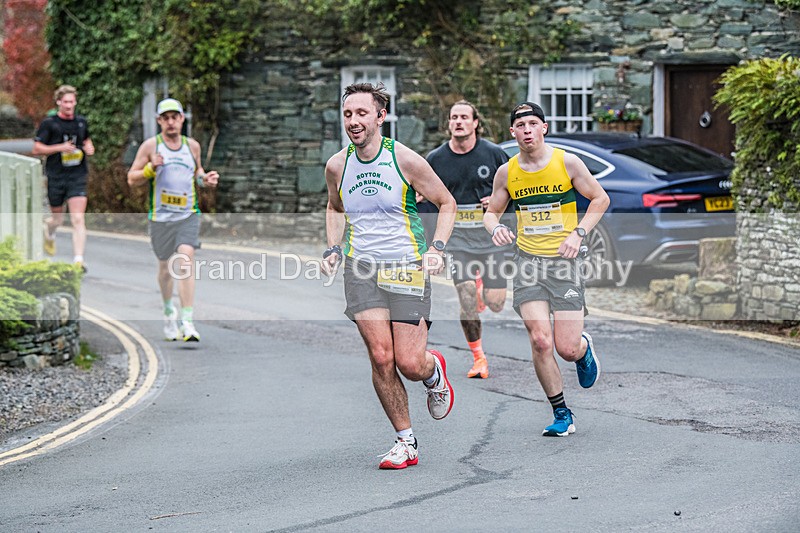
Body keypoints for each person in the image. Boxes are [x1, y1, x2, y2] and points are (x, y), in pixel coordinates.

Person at [322, 82, 457, 470]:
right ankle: (405, 441)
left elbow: (446, 202)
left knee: (409, 363)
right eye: (348, 114)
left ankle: (433, 373)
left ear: (381, 117)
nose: (353, 121)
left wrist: (438, 249)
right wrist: (334, 248)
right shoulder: (337, 165)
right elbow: (334, 208)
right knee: (382, 357)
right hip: (361, 268)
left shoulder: (405, 159)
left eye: (362, 113)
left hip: (407, 267)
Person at [483, 102, 610, 437]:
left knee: (564, 347)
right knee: (540, 340)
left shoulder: (566, 162)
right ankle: (561, 412)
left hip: (565, 263)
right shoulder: (507, 172)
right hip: (527, 262)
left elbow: (600, 199)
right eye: (520, 125)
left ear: (544, 127)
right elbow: (492, 211)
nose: (527, 130)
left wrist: (578, 232)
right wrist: (494, 227)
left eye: (533, 123)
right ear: (512, 132)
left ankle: (582, 348)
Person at [426, 100, 511, 379]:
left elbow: (514, 191)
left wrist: (498, 201)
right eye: (453, 117)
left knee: (496, 303)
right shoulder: (436, 159)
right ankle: (478, 358)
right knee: (466, 301)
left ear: (475, 123)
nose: (458, 122)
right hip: (458, 241)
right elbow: (426, 200)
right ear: (448, 123)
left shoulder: (494, 154)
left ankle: (484, 288)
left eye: (464, 117)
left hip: (490, 239)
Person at [127, 98, 219, 343]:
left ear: (181, 119)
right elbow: (131, 178)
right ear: (159, 121)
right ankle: (168, 310)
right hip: (160, 218)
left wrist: (205, 180)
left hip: (187, 215)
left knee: (186, 258)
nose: (170, 122)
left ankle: (187, 320)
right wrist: (149, 169)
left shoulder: (193, 146)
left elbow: (196, 173)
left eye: (174, 117)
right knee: (165, 270)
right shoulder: (151, 147)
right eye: (165, 118)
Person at [32, 85, 95, 270]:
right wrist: (59, 148)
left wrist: (89, 147)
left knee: (77, 218)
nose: (69, 105)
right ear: (59, 102)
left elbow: (86, 140)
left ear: (75, 102)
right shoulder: (50, 124)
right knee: (57, 220)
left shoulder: (81, 122)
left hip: (77, 175)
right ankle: (49, 231)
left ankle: (78, 260)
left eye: (72, 102)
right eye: (65, 102)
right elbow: (36, 149)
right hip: (56, 176)